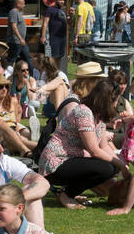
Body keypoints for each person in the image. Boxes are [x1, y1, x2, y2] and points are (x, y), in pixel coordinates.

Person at [38, 72, 124, 209]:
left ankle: (68, 192)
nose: (116, 104)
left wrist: (122, 165)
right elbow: (94, 150)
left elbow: (104, 146)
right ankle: (67, 195)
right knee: (107, 168)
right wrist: (119, 164)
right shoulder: (84, 112)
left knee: (111, 167)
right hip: (56, 163)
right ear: (107, 100)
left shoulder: (98, 117)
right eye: (115, 100)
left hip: (71, 160)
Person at [6, 0, 33, 66]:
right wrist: (20, 38)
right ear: (18, 4)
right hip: (15, 42)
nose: (24, 5)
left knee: (28, 59)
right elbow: (14, 26)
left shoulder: (18, 12)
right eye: (23, 4)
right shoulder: (13, 12)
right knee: (11, 61)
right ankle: (8, 75)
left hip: (21, 42)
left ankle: (30, 76)